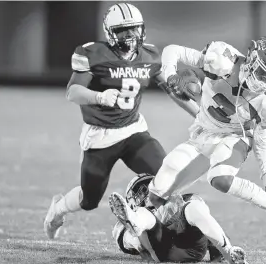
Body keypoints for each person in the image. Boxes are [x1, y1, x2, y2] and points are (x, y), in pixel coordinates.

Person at [43, 2, 198, 239]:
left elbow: (172, 90)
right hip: (101, 136)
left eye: (134, 29)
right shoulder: (94, 54)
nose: (130, 35)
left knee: (165, 177)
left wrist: (199, 115)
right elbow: (72, 92)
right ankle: (58, 209)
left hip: (134, 131)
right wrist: (99, 96)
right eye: (123, 30)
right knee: (89, 199)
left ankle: (147, 226)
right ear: (110, 33)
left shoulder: (150, 55)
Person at [148, 36, 266, 237]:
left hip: (234, 137)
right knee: (156, 196)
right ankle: (183, 227)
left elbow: (261, 139)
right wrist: (170, 76)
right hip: (202, 133)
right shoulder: (222, 60)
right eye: (261, 73)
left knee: (220, 179)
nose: (262, 82)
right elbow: (172, 49)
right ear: (251, 58)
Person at [109, 173, 247, 263]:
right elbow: (130, 242)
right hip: (163, 249)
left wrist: (217, 254)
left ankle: (228, 251)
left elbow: (205, 222)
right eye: (145, 191)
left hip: (192, 248)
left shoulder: (178, 203)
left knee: (194, 206)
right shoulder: (132, 220)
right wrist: (137, 240)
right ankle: (135, 222)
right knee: (145, 218)